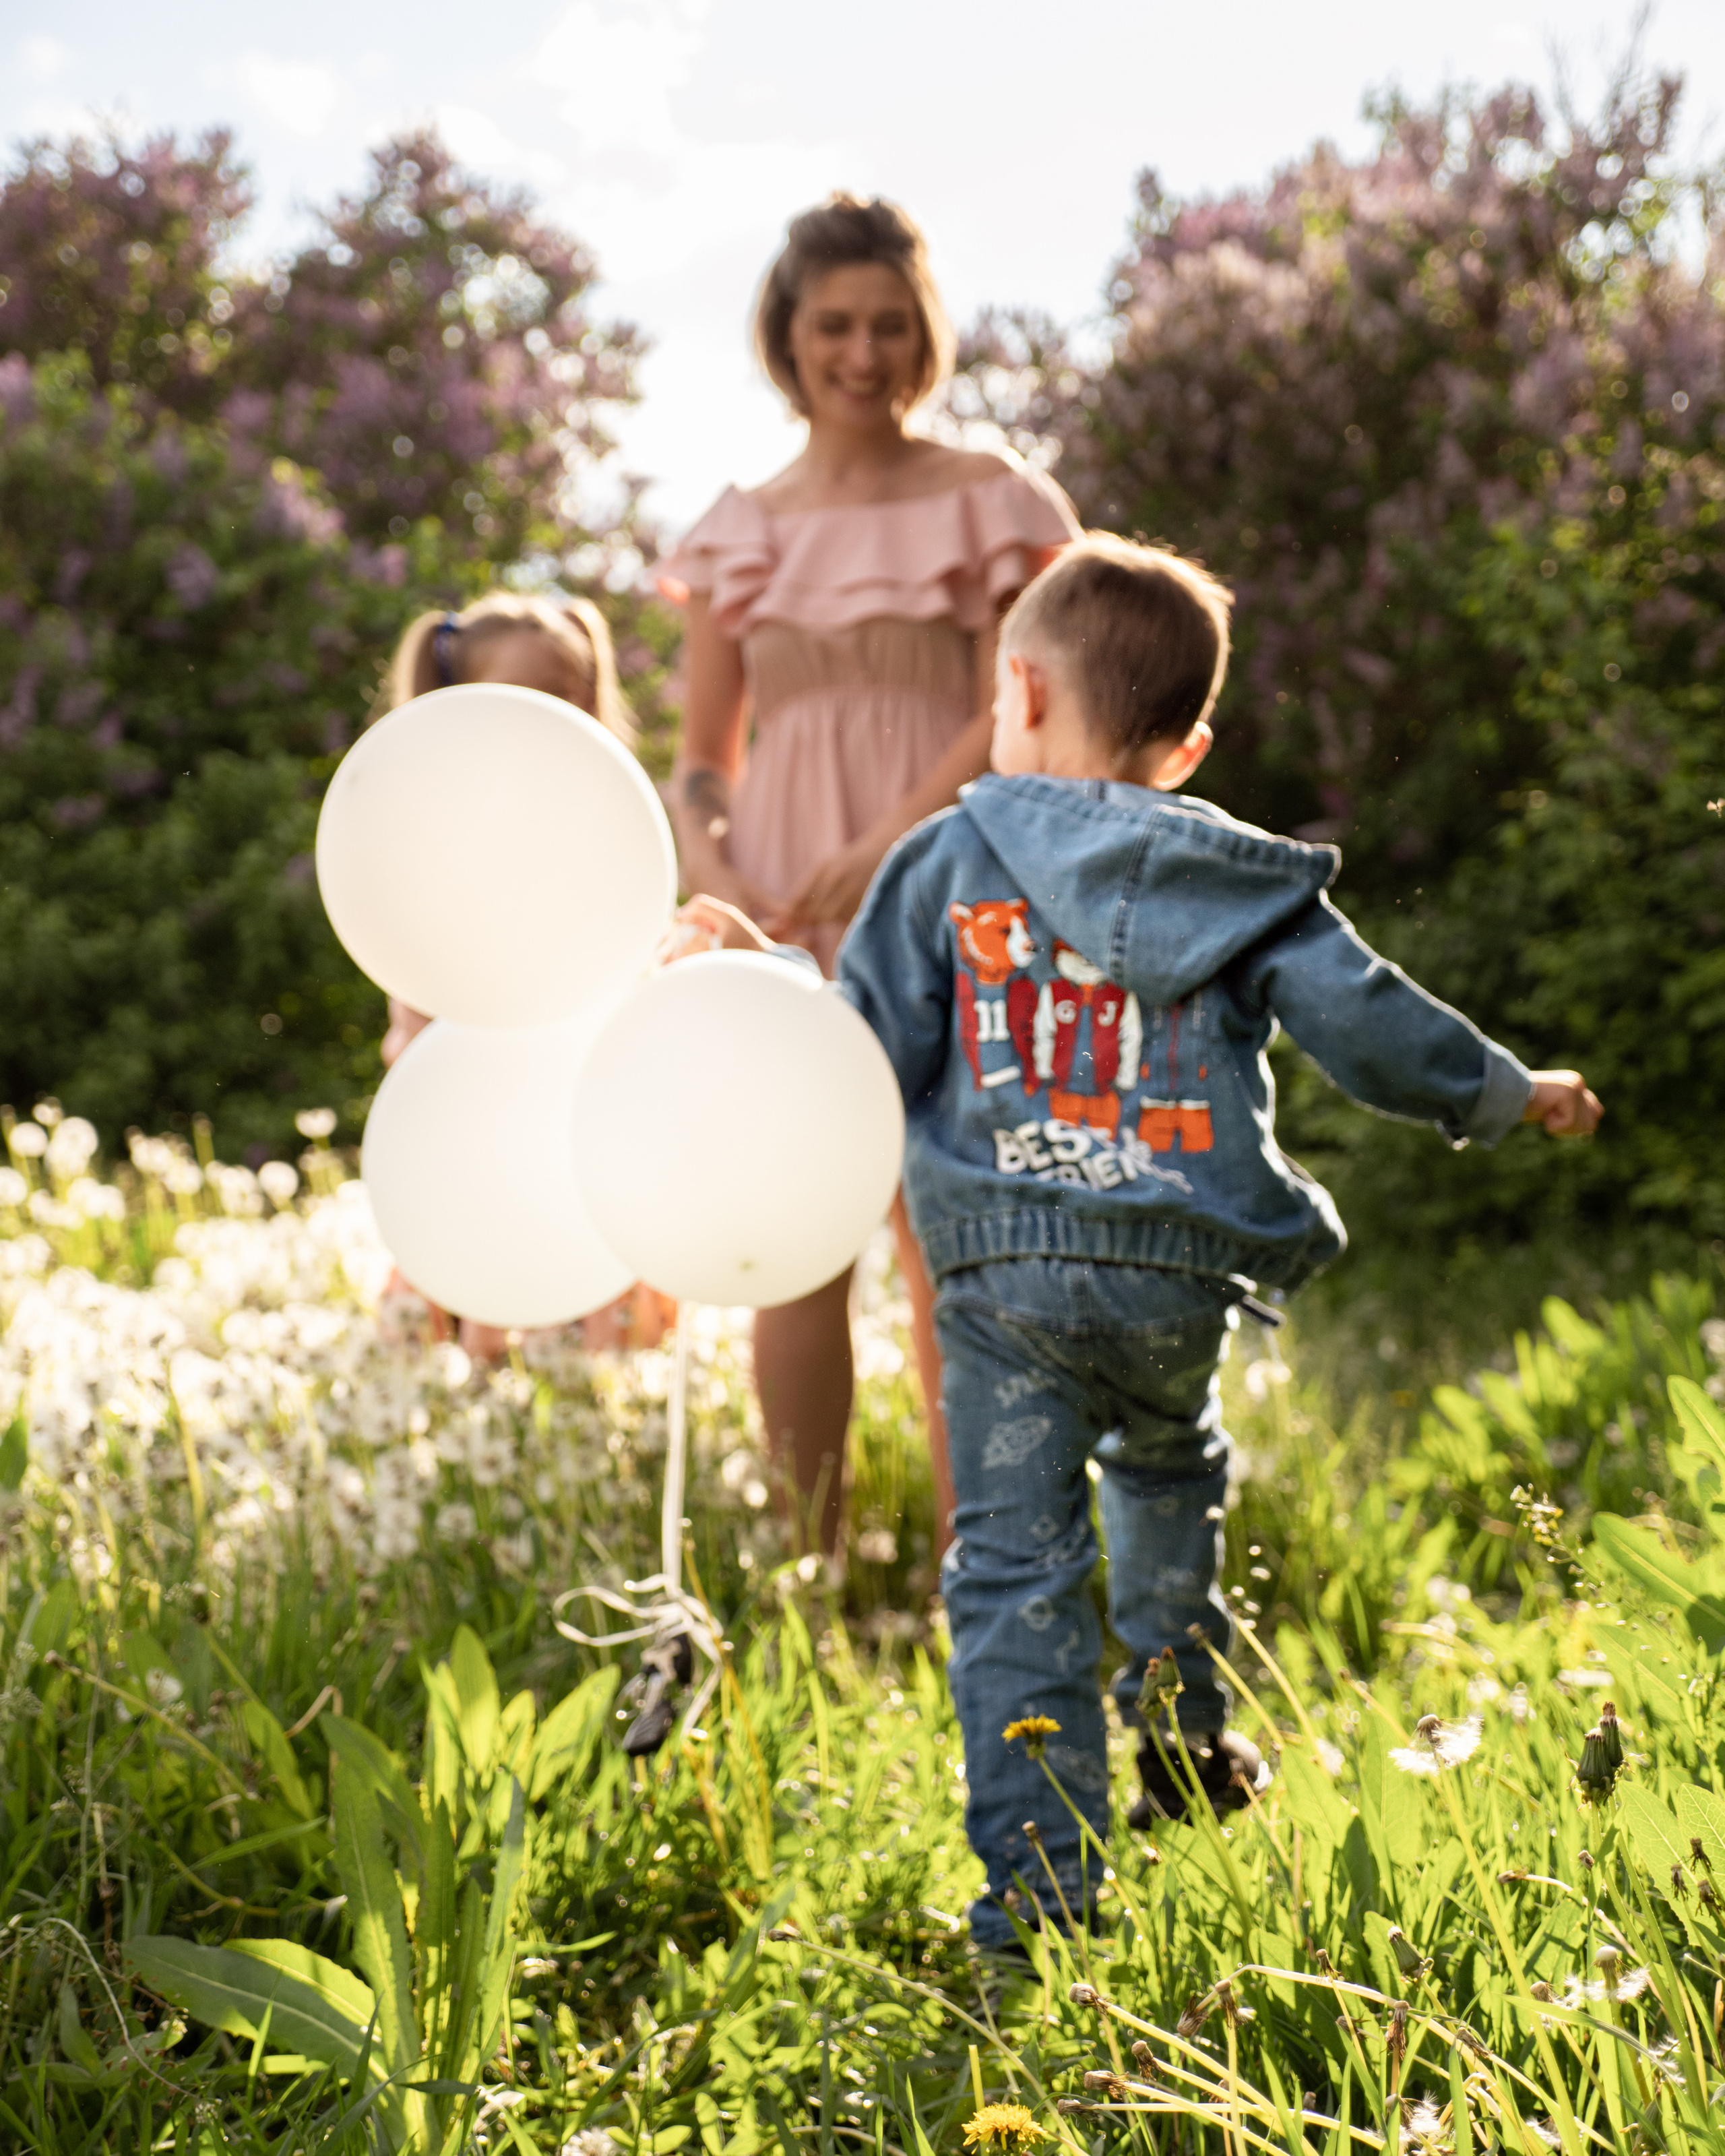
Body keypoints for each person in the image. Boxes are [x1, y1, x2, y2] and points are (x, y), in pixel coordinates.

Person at [823, 532, 1602, 1950]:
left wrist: (741, 975)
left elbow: (849, 1041)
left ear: (1019, 689)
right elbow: (1365, 1020)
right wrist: (1503, 1090)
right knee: (1166, 1462)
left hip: (1001, 1281)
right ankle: (1181, 1732)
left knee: (1014, 1569)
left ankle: (1046, 1896)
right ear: (1184, 747)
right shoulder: (1240, 883)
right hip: (1174, 1270)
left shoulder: (944, 862)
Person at [660, 193, 1081, 1556]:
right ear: (784, 335)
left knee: (947, 1232)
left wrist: (899, 835)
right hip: (789, 899)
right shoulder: (740, 526)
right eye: (833, 323)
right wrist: (716, 855)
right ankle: (807, 1567)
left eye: (890, 324)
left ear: (926, 334)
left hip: (948, 878)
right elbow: (700, 757)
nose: (863, 350)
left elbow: (1019, 705)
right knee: (795, 1229)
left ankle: (992, 1569)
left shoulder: (993, 500)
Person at [373, 590, 669, 1357]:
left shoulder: (600, 828)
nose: (556, 718)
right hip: (466, 1107)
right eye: (530, 699)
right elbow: (418, 996)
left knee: (572, 1266)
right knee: (480, 1261)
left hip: (577, 1106)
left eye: (571, 698)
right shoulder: (430, 834)